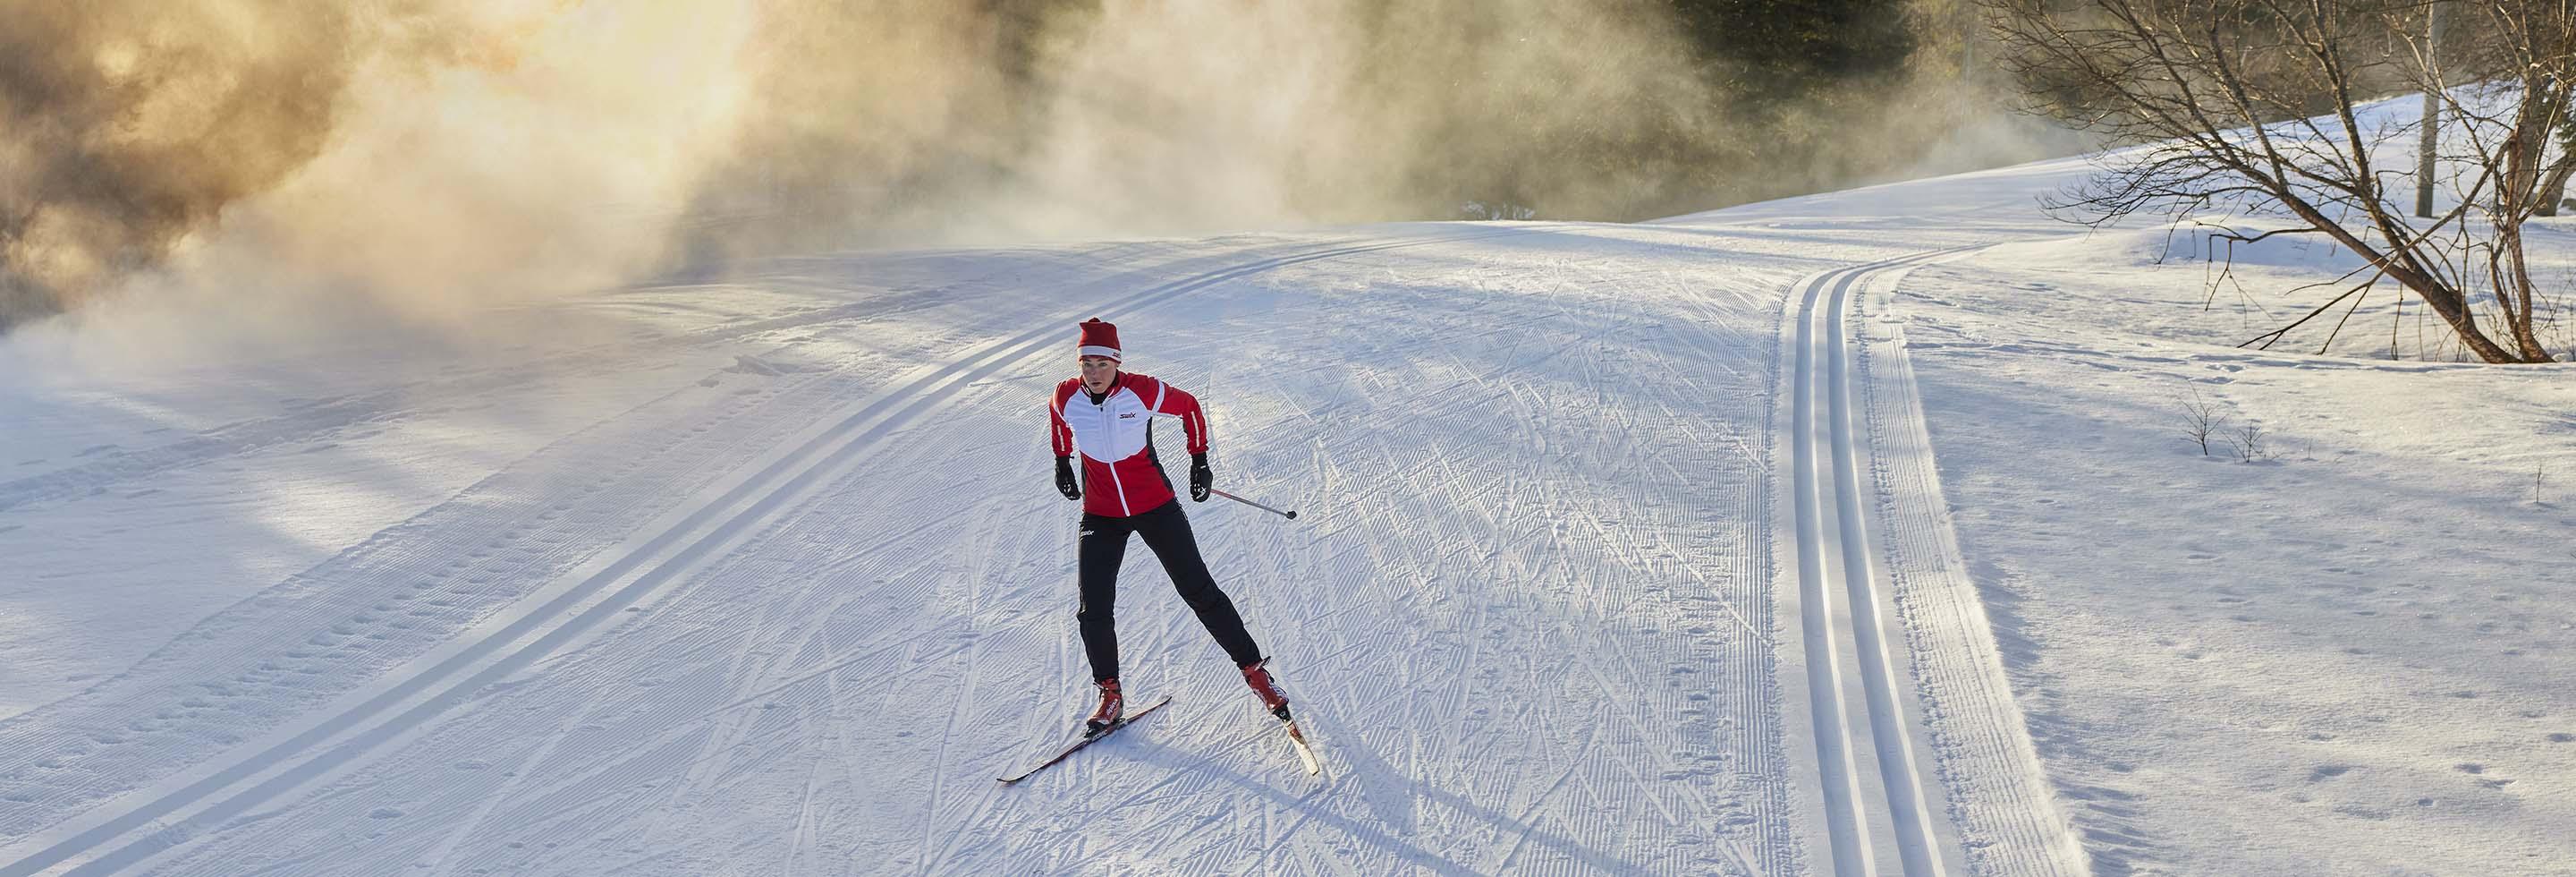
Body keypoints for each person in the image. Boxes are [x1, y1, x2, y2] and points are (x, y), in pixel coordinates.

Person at [1047, 318, 1290, 734]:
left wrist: (1199, 460)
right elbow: (1056, 419)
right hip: (1101, 513)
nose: (1094, 372)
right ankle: (1110, 694)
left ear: (1117, 362)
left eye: (1102, 364)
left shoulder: (1141, 390)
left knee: (1199, 591)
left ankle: (1256, 673)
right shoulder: (1067, 395)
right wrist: (1062, 461)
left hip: (1155, 507)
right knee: (1093, 609)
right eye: (1086, 363)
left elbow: (1190, 407)